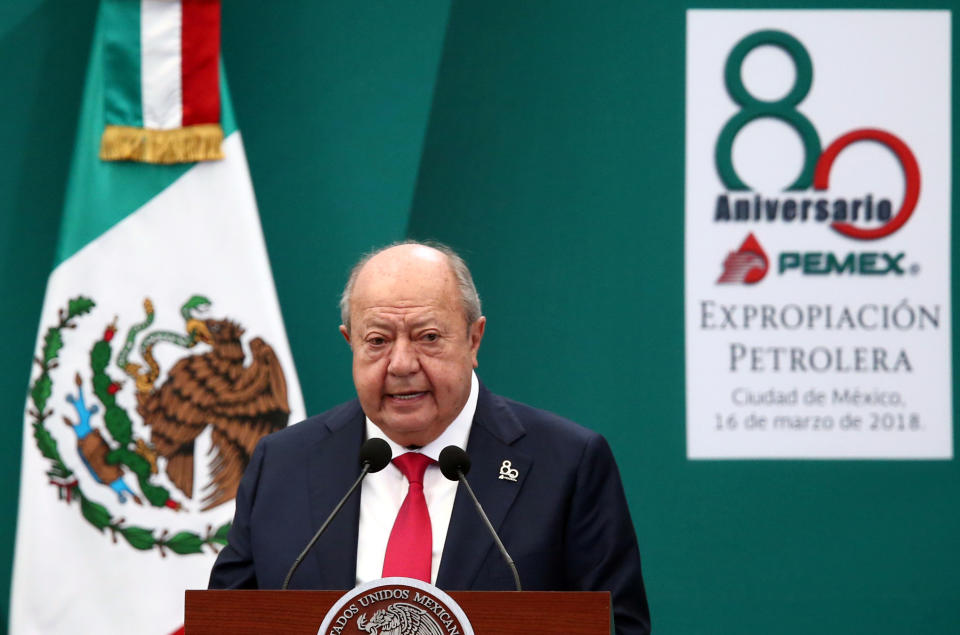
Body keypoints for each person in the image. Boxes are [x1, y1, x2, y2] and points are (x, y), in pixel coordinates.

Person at [208, 241, 651, 634]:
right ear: (350, 343)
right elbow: (228, 620)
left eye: (428, 337)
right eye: (378, 341)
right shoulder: (283, 462)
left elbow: (616, 625)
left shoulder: (566, 463)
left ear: (474, 339)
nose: (401, 364)